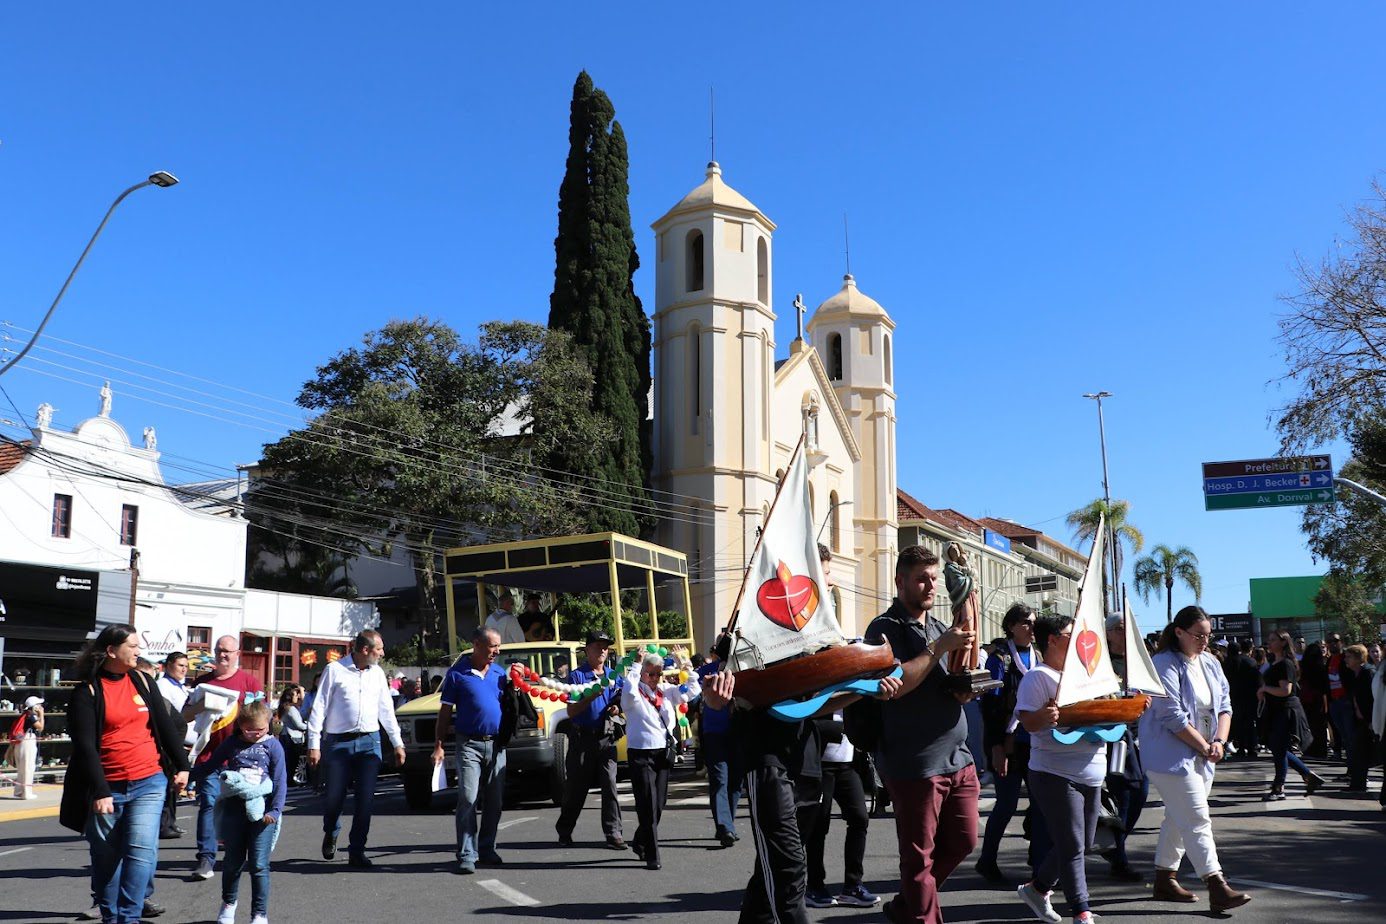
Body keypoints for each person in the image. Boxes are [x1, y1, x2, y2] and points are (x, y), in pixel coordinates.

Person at [864, 545, 979, 924]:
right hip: (915, 764)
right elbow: (896, 683)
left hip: (959, 759)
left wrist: (965, 688)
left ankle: (905, 906)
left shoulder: (934, 626)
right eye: (921, 579)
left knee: (963, 841)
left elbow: (942, 684)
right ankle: (919, 914)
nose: (931, 586)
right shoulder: (884, 629)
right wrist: (938, 647)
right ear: (900, 582)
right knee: (918, 859)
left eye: (933, 578)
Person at [61, 624, 190, 924]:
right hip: (106, 787)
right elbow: (84, 748)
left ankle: (129, 918)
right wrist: (101, 790)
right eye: (132, 646)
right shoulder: (87, 691)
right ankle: (111, 916)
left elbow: (165, 725)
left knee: (141, 852)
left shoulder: (143, 681)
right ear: (111, 651)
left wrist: (183, 766)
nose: (138, 651)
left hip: (149, 781)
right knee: (106, 859)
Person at [1138, 605, 1251, 912]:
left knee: (1178, 816)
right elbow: (1171, 716)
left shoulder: (1211, 662)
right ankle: (1216, 884)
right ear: (1179, 632)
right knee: (1197, 818)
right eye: (1199, 635)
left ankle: (1164, 878)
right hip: (1170, 756)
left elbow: (1225, 704)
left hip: (1204, 752)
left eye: (1208, 635)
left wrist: (1219, 741)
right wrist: (1205, 746)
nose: (1205, 640)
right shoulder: (1163, 664)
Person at [1013, 613, 1103, 924]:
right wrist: (1044, 716)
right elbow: (1027, 721)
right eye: (1070, 633)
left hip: (1092, 772)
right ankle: (1081, 911)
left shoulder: (1085, 675)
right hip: (1054, 773)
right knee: (1072, 844)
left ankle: (1038, 889)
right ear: (1052, 640)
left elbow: (1102, 714)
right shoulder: (1037, 677)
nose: (1078, 638)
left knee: (1083, 843)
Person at [306, 629, 405, 868]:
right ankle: (331, 830)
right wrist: (313, 744)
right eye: (379, 649)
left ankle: (357, 850)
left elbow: (386, 711)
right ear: (364, 650)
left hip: (369, 742)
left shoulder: (378, 674)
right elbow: (319, 707)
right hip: (338, 742)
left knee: (365, 800)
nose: (382, 653)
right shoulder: (335, 670)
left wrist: (397, 742)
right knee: (334, 797)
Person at [191, 699, 286, 924]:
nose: (254, 734)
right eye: (248, 729)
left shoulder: (273, 746)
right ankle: (228, 906)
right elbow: (210, 765)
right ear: (241, 725)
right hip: (234, 809)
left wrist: (276, 810)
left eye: (260, 730)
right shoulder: (232, 743)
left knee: (259, 864)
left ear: (269, 725)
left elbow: (280, 781)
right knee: (232, 862)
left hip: (262, 811)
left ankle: (260, 914)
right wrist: (186, 774)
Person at [183, 635, 264, 880]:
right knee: (209, 805)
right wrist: (201, 705)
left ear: (237, 653)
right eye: (219, 650)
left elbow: (262, 717)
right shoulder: (202, 682)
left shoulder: (249, 682)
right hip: (209, 757)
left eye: (228, 651)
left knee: (244, 809)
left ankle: (243, 853)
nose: (223, 655)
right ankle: (206, 859)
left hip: (242, 759)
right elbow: (184, 716)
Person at [432, 626, 509, 874]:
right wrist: (439, 745)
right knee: (468, 797)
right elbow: (444, 713)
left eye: (498, 646)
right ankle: (467, 852)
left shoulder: (499, 673)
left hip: (496, 745)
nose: (496, 651)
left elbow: (509, 705)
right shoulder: (457, 674)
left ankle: (487, 849)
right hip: (469, 745)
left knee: (494, 801)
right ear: (476, 644)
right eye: (492, 646)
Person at [976, 603, 1039, 884]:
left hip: (1036, 743)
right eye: (1025, 622)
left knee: (1040, 803)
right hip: (1008, 742)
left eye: (1034, 622)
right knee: (1007, 803)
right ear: (1011, 626)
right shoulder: (999, 659)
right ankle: (987, 859)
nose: (1031, 627)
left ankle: (1038, 858)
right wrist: (996, 746)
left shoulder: (1038, 656)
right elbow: (989, 707)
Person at [620, 646, 698, 870]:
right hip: (641, 753)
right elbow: (629, 692)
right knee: (647, 804)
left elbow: (692, 690)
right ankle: (653, 855)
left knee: (659, 804)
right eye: (650, 674)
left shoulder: (666, 691)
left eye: (658, 674)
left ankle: (639, 840)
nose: (654, 678)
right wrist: (636, 665)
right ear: (643, 673)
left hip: (663, 753)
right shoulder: (633, 692)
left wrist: (684, 663)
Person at [556, 629, 626, 849]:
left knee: (610, 786)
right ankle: (565, 830)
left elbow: (622, 698)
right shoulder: (577, 676)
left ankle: (613, 833)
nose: (603, 650)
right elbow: (571, 711)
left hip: (606, 738)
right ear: (587, 649)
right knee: (576, 790)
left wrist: (617, 707)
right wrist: (591, 696)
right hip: (582, 739)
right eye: (598, 646)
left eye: (605, 647)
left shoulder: (613, 675)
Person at [802, 708, 878, 907]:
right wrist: (837, 728)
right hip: (820, 764)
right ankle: (815, 886)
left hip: (847, 765)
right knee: (818, 826)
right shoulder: (825, 688)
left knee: (860, 818)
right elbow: (806, 720)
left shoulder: (855, 694)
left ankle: (853, 885)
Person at [1099, 613, 1146, 883]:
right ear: (1107, 633)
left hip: (1140, 736)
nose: (1123, 633)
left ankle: (1113, 844)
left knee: (1141, 793)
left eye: (1128, 629)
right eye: (1118, 629)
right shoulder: (1101, 663)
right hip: (1114, 736)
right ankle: (1119, 859)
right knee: (1124, 796)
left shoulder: (1138, 662)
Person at [1259, 630, 1322, 799]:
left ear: (1283, 643)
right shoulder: (1276, 662)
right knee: (1278, 748)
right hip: (1277, 710)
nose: (1269, 643)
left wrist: (1265, 689)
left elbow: (1285, 690)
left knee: (1278, 749)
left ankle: (1279, 787)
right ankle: (1307, 775)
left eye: (1273, 640)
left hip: (1285, 710)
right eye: (1269, 639)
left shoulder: (1285, 664)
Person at [697, 644, 740, 847]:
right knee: (720, 779)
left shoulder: (742, 668)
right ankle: (725, 827)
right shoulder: (707, 671)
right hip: (713, 733)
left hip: (738, 731)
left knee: (735, 782)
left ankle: (727, 822)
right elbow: (694, 692)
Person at [154, 653, 191, 840]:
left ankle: (171, 822)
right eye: (180, 665)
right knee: (169, 783)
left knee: (176, 785)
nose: (184, 669)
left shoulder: (180, 686)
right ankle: (164, 824)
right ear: (169, 665)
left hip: (182, 740)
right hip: (170, 742)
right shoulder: (163, 686)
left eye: (186, 666)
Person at [1344, 644, 1375, 792]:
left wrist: (1370, 719)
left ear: (1358, 658)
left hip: (1368, 719)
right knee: (1358, 751)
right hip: (1358, 719)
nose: (1346, 659)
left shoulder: (1368, 673)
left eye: (1349, 657)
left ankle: (1359, 783)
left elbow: (1372, 698)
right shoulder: (1355, 674)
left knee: (1365, 751)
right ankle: (1357, 783)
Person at [1228, 640, 1261, 759]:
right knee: (1250, 724)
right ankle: (1252, 749)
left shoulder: (1232, 661)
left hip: (1235, 696)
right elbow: (1257, 680)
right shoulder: (1251, 662)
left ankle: (1241, 748)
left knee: (1238, 723)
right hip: (1250, 697)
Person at [1325, 633, 1354, 764]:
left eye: (1335, 641)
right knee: (1343, 736)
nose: (1332, 644)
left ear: (1341, 642)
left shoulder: (1346, 659)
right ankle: (1351, 769)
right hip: (1334, 702)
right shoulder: (1329, 661)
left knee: (1350, 737)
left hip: (1346, 702)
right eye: (1329, 641)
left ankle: (1355, 770)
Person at [1299, 642, 1330, 759]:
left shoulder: (1304, 667)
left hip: (1307, 699)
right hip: (1318, 699)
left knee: (1310, 726)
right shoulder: (1321, 667)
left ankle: (1312, 749)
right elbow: (1324, 687)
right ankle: (1321, 751)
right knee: (1320, 727)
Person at [10, 695, 44, 799]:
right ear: (34, 706)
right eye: (39, 705)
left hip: (20, 743)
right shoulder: (31, 716)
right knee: (28, 768)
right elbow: (40, 727)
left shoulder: (24, 715)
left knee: (22, 768)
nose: (41, 706)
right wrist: (42, 715)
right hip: (27, 742)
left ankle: (19, 791)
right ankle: (26, 793)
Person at [276, 685, 307, 788]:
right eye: (295, 695)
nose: (297, 697)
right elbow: (299, 725)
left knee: (288, 759)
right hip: (293, 736)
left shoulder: (284, 708)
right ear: (290, 697)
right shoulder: (291, 709)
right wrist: (310, 726)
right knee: (293, 760)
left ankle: (288, 779)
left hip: (285, 735)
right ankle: (290, 780)